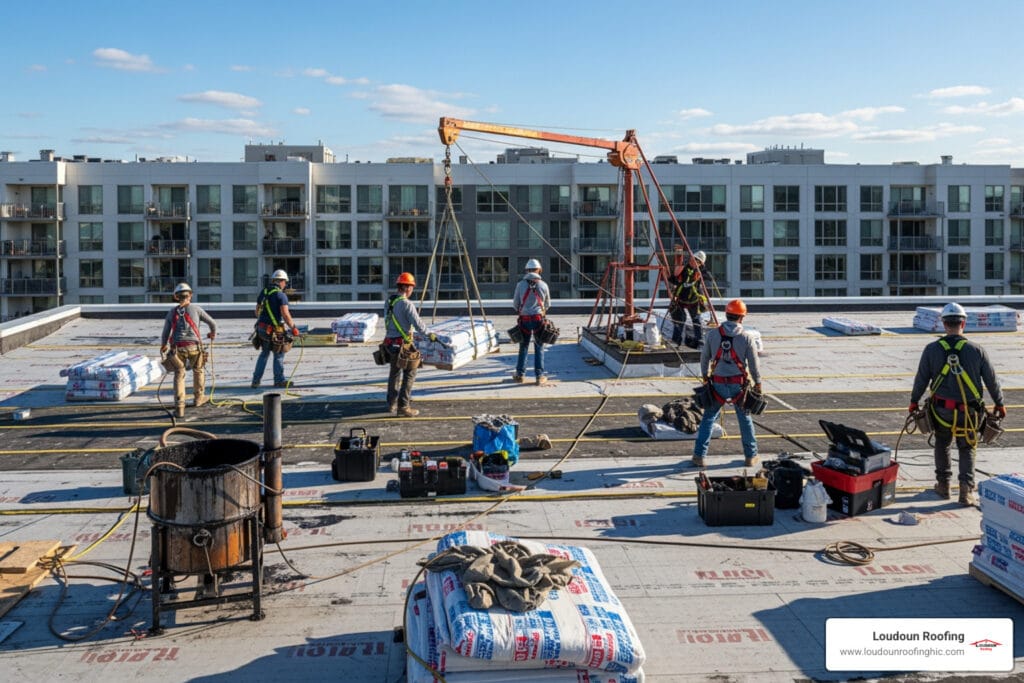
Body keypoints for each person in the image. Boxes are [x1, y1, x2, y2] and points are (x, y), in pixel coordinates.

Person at [909, 302, 1005, 506]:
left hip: (942, 410)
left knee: (942, 443)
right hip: (969, 413)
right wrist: (999, 403)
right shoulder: (976, 350)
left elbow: (921, 379)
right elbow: (991, 380)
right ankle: (965, 491)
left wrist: (913, 402)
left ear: (944, 323)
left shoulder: (932, 349)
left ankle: (943, 486)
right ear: (963, 323)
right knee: (967, 446)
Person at [691, 299, 761, 468]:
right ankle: (750, 456)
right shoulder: (746, 337)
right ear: (742, 317)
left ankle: (699, 456)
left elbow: (704, 358)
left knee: (708, 418)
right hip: (739, 385)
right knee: (745, 419)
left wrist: (705, 377)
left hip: (717, 384)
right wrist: (758, 384)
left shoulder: (713, 335)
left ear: (727, 314)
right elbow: (753, 364)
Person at [160, 282, 217, 418]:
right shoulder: (196, 309)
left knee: (179, 374)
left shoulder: (171, 312)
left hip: (177, 349)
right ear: (190, 295)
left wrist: (163, 345)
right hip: (194, 347)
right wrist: (212, 334)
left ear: (176, 297)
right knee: (198, 370)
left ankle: (179, 407)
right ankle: (198, 399)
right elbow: (212, 323)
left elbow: (166, 332)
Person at [383, 272, 436, 416]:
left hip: (390, 343)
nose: (412, 290)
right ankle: (404, 407)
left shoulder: (390, 301)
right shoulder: (407, 304)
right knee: (410, 373)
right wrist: (429, 334)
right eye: (411, 287)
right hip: (402, 345)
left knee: (394, 374)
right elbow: (418, 324)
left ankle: (391, 404)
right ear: (406, 288)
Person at [252, 269, 299, 389]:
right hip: (273, 330)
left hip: (261, 328)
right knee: (278, 354)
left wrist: (265, 320)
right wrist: (293, 328)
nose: (285, 285)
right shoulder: (281, 295)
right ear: (282, 281)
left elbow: (257, 311)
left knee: (264, 354)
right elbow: (285, 314)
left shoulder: (264, 291)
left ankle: (255, 381)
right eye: (285, 282)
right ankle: (279, 380)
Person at [512, 258, 552, 385]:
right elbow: (548, 304)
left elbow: (515, 304)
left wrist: (525, 309)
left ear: (527, 270)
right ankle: (539, 376)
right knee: (539, 346)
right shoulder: (543, 285)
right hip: (538, 319)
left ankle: (520, 374)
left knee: (523, 346)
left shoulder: (520, 285)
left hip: (524, 320)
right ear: (539, 270)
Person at [667, 249, 708, 347]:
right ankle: (676, 340)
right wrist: (677, 273)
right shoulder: (685, 268)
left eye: (697, 261)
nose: (693, 261)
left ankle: (699, 340)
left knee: (696, 320)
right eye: (693, 259)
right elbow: (674, 280)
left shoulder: (700, 271)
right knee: (680, 320)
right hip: (681, 299)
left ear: (700, 263)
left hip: (693, 300)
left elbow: (706, 276)